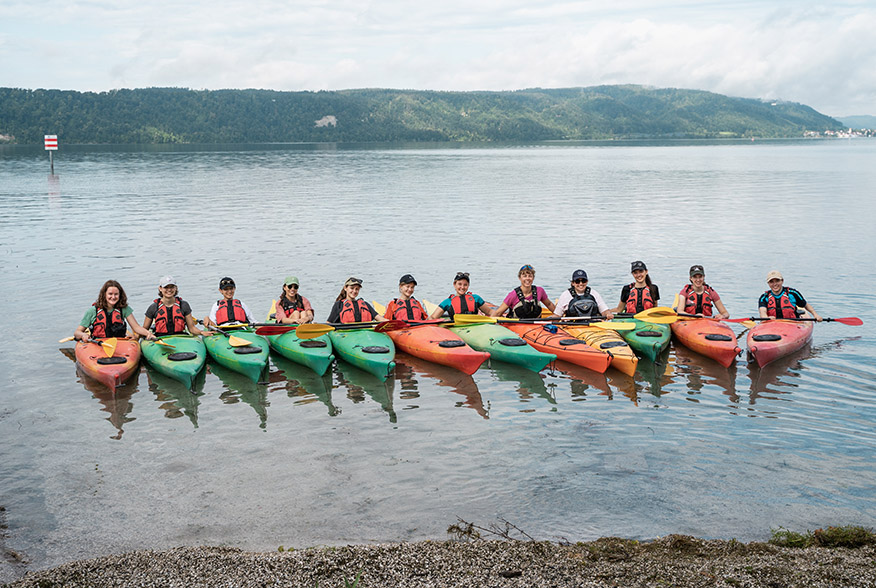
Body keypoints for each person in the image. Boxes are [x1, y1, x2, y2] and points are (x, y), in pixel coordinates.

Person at [74, 279, 155, 342]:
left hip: (119, 342)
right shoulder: (92, 311)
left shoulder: (124, 309)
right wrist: (82, 335)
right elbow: (77, 332)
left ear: (120, 295)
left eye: (116, 294)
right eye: (110, 294)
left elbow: (136, 327)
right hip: (98, 343)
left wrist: (148, 333)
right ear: (104, 294)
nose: (113, 297)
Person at [142, 276, 211, 336]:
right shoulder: (154, 307)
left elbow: (191, 328)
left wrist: (201, 332)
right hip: (160, 338)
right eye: (166, 287)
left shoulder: (183, 305)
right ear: (160, 288)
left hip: (180, 337)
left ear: (175, 288)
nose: (169, 290)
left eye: (172, 287)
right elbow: (144, 329)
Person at [491, 264, 556, 318]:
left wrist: (559, 315)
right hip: (516, 327)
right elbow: (498, 313)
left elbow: (549, 304)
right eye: (524, 276)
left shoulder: (540, 291)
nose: (527, 278)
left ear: (533, 278)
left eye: (530, 276)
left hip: (536, 326)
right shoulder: (513, 295)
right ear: (520, 278)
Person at [550, 269, 614, 319]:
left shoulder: (594, 293)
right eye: (577, 281)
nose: (581, 284)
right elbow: (557, 315)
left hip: (593, 324)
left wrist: (608, 314)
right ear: (573, 283)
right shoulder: (565, 295)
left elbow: (604, 311)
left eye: (583, 281)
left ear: (587, 282)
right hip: (572, 326)